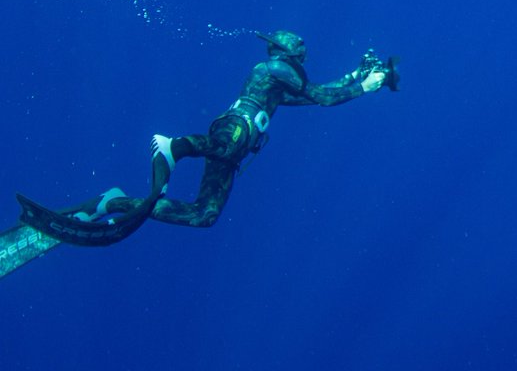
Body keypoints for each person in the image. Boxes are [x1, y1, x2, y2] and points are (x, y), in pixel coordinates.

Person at [91, 30, 392, 228]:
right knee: (223, 146)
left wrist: (357, 74)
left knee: (204, 215)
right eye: (300, 48)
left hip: (239, 145)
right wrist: (364, 88)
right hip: (235, 129)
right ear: (285, 51)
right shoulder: (275, 68)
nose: (304, 53)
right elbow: (322, 97)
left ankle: (115, 203)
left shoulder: (280, 79)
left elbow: (315, 94)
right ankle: (175, 146)